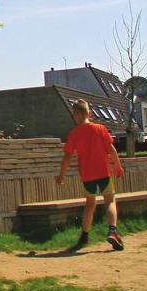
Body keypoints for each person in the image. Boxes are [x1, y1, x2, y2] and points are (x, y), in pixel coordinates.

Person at [56, 99, 125, 250]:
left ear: (74, 115)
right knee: (110, 201)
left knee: (89, 204)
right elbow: (111, 149)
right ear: (90, 113)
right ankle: (113, 231)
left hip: (87, 175)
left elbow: (67, 156)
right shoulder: (100, 128)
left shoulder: (74, 133)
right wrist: (118, 166)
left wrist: (62, 175)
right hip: (103, 172)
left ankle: (84, 235)